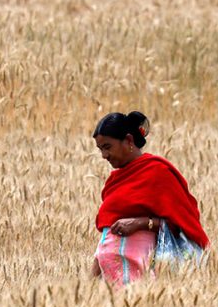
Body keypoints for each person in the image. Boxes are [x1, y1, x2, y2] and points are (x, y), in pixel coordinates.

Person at [90, 111, 210, 287]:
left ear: (129, 141)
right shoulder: (114, 180)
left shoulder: (158, 173)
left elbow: (182, 223)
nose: (104, 155)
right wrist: (91, 278)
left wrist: (141, 223)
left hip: (144, 277)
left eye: (107, 147)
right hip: (110, 278)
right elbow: (107, 235)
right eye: (100, 149)